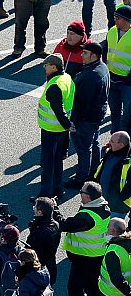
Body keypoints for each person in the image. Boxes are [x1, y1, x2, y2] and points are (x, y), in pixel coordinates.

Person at [60, 181, 111, 296]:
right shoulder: (103, 207)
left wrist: (55, 212)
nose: (79, 194)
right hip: (97, 254)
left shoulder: (87, 216)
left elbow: (66, 225)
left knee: (74, 288)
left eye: (81, 192)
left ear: (88, 197)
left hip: (84, 257)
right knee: (92, 287)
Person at [66, 42, 109, 189]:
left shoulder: (90, 76)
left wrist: (73, 122)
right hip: (96, 117)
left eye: (85, 53)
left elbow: (82, 104)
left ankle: (81, 179)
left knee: (83, 150)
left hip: (85, 120)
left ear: (94, 55)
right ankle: (94, 172)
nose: (82, 55)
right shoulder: (102, 68)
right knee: (94, 143)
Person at [34, 54, 73, 199]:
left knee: (47, 164)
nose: (45, 68)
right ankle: (58, 190)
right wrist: (67, 125)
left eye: (47, 65)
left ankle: (45, 195)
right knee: (57, 162)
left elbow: (58, 108)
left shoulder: (54, 85)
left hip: (52, 129)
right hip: (61, 130)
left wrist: (67, 124)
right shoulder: (66, 78)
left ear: (54, 67)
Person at [104, 6, 131, 133]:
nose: (114, 19)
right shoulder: (112, 31)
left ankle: (126, 141)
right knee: (114, 112)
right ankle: (114, 138)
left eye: (117, 18)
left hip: (127, 83)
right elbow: (106, 50)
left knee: (127, 115)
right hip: (112, 78)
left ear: (126, 20)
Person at [91, 132, 131, 217]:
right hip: (104, 200)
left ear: (121, 145)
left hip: (118, 206)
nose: (109, 142)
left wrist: (121, 198)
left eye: (112, 141)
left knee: (113, 228)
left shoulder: (128, 161)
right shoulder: (111, 151)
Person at [27, 197, 62, 288]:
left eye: (35, 207)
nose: (33, 208)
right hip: (51, 266)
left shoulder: (39, 231)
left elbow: (29, 249)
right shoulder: (56, 225)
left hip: (38, 269)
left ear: (39, 212)